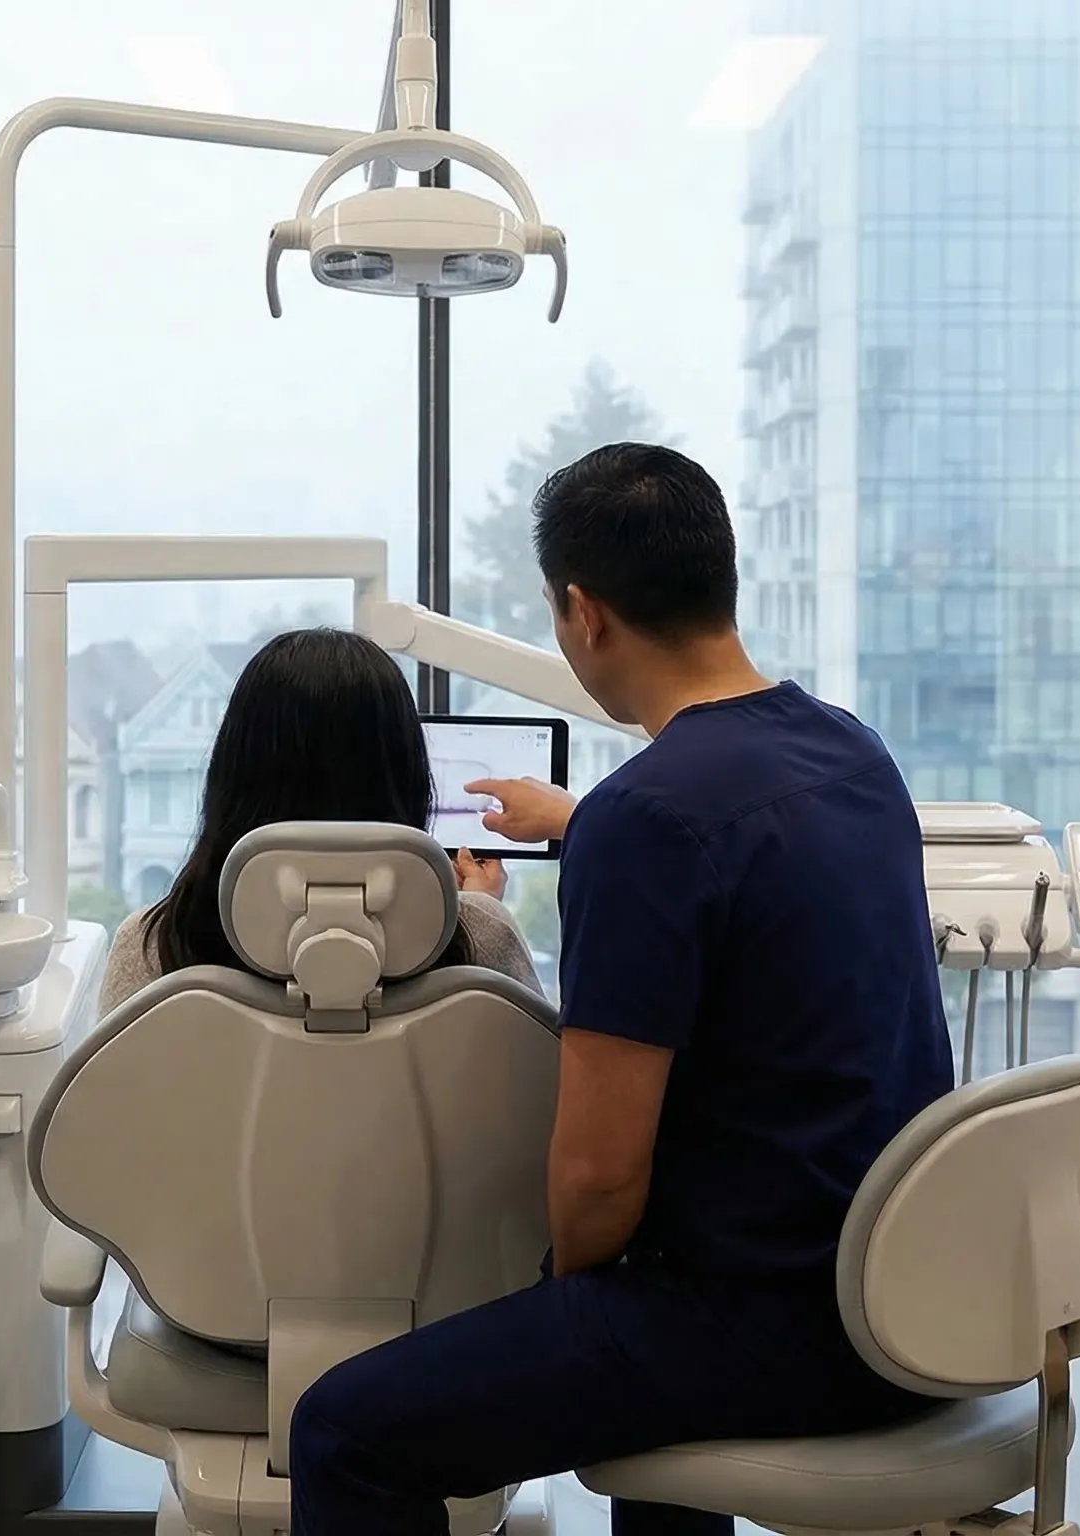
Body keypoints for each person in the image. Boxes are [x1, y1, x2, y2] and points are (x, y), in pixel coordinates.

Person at [288, 444, 957, 1535]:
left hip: (765, 1327)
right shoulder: (852, 755)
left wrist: (565, 1301)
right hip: (903, 1290)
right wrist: (580, 823)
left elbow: (597, 1178)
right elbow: (722, 842)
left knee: (343, 1431)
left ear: (582, 613)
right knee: (616, 1330)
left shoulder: (647, 825)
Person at [96, 626, 539, 1016]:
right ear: (406, 778)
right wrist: (482, 910)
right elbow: (542, 1096)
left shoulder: (149, 949)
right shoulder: (483, 938)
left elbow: (111, 1104)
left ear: (231, 777)